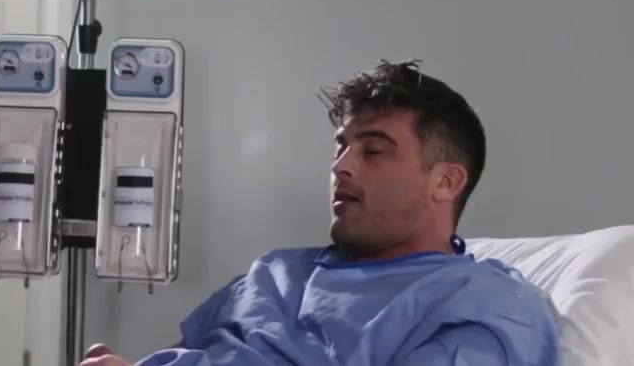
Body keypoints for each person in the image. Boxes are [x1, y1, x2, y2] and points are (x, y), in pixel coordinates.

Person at [82, 60, 560, 366]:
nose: (341, 166)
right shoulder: (274, 274)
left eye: (374, 151)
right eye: (341, 147)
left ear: (446, 182)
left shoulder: (484, 305)